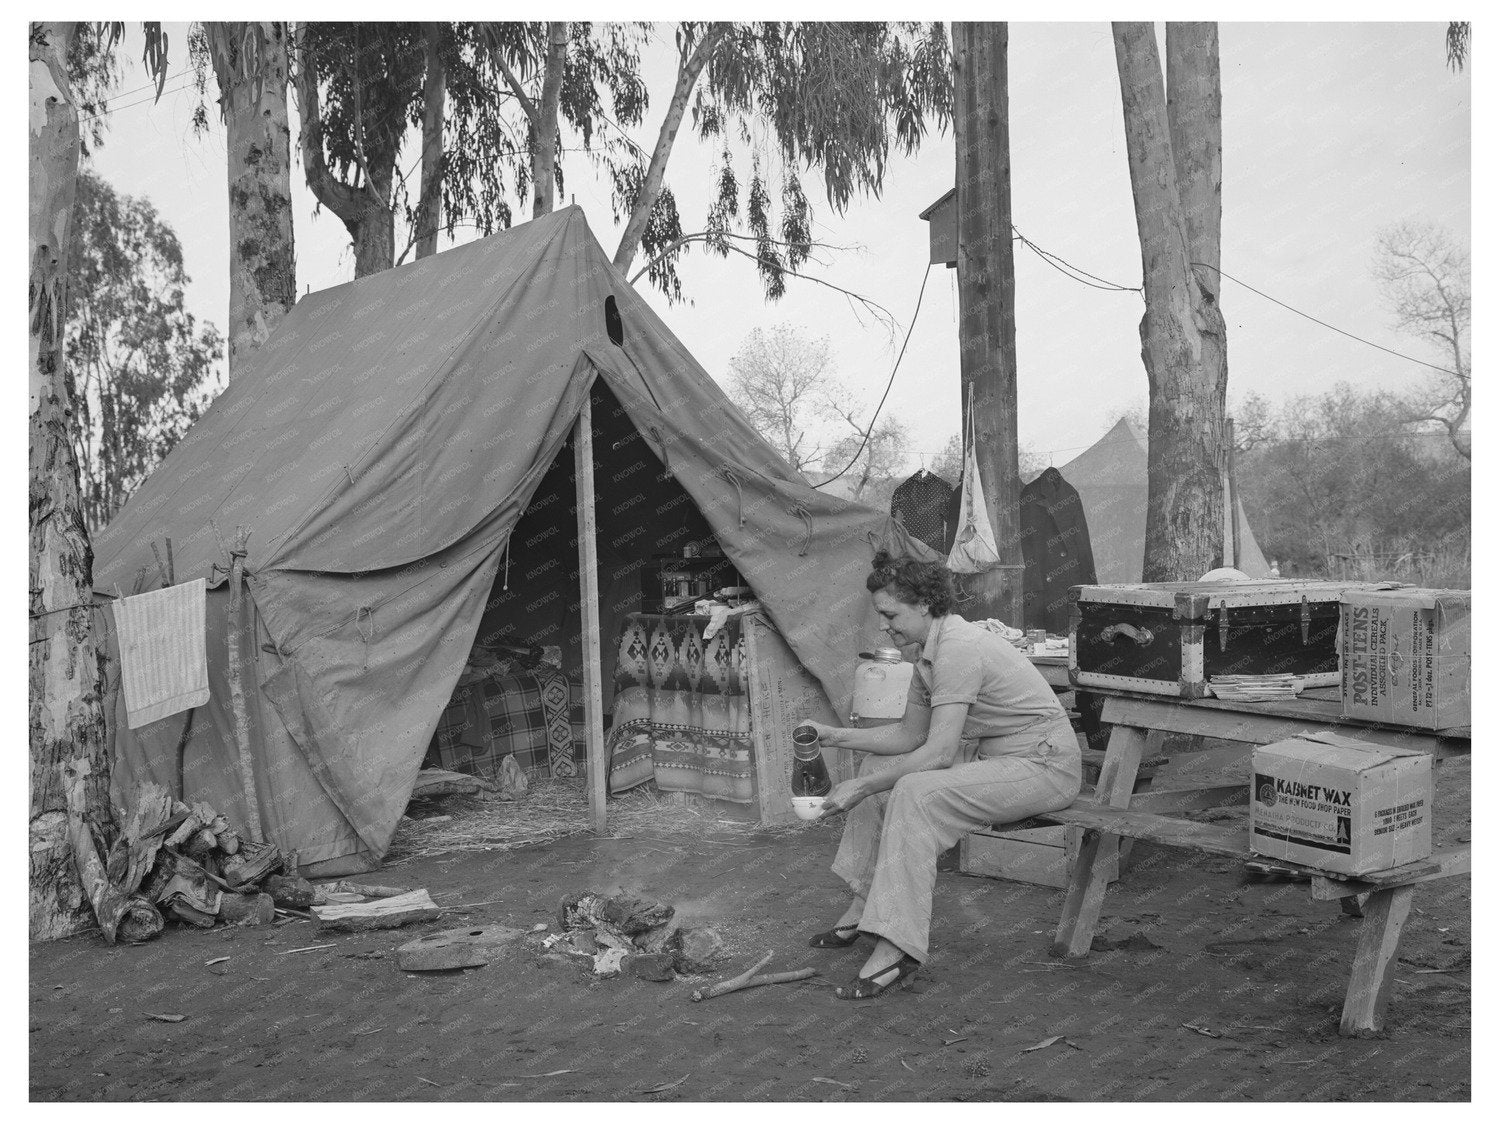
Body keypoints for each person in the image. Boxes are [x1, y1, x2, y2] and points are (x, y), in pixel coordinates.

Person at [803, 552, 1082, 1000]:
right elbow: (908, 736)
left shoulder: (958, 648)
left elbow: (937, 754)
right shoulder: (927, 652)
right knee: (880, 769)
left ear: (925, 604)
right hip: (998, 763)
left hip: (1044, 767)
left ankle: (898, 947)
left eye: (890, 614)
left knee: (913, 790)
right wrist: (832, 736)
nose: (883, 626)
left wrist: (861, 786)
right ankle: (864, 904)